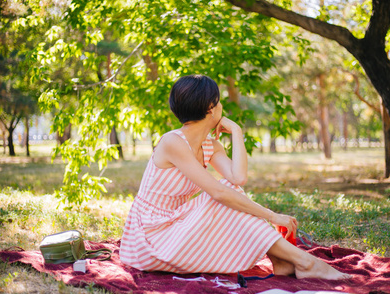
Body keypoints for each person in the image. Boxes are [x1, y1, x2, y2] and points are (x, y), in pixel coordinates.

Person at [120, 75, 351, 280]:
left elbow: (238, 178)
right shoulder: (173, 142)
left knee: (229, 189)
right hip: (149, 237)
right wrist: (272, 216)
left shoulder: (209, 144)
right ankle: (304, 261)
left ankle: (286, 261)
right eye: (218, 102)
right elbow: (220, 193)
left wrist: (237, 131)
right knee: (221, 195)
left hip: (173, 223)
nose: (220, 106)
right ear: (211, 108)